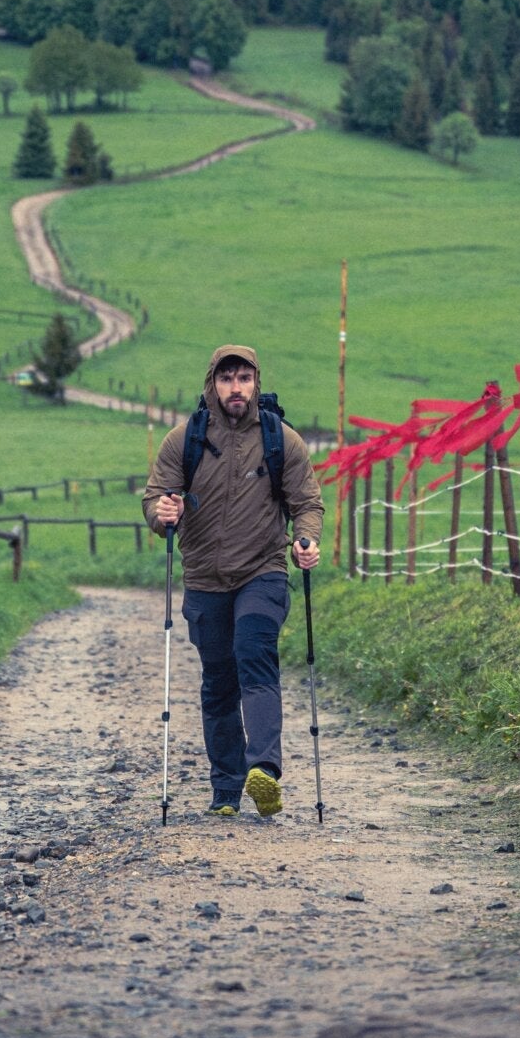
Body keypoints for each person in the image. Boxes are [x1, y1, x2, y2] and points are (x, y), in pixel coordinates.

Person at [143, 344, 323, 818]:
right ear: (213, 384)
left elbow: (307, 502)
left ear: (256, 383)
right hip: (203, 577)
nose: (236, 388)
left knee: (254, 653)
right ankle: (225, 790)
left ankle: (264, 768)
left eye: (244, 378)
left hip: (263, 570)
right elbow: (155, 502)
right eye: (227, 379)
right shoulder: (185, 439)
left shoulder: (281, 439)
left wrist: (305, 538)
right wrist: (163, 513)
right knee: (219, 681)